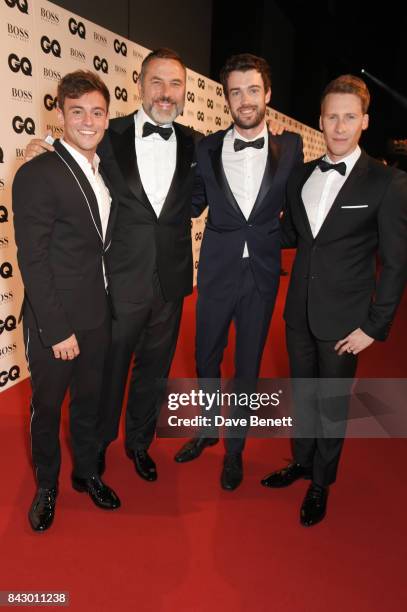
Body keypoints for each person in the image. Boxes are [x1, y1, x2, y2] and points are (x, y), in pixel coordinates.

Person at [26, 48, 202, 483]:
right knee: (105, 377)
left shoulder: (196, 142)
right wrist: (43, 144)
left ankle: (139, 443)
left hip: (172, 282)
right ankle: (96, 448)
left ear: (185, 91)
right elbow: (72, 148)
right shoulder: (110, 131)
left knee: (154, 374)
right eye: (156, 82)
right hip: (119, 282)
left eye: (175, 84)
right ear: (139, 84)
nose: (165, 93)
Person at [261, 75, 407, 526]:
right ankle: (302, 461)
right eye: (331, 117)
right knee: (304, 395)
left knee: (332, 403)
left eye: (349, 117)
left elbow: (397, 262)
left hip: (346, 320)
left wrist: (373, 326)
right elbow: (293, 234)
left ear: (364, 121)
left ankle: (322, 481)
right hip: (298, 310)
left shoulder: (387, 182)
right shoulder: (302, 175)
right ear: (320, 121)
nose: (339, 127)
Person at [174, 54, 303, 490]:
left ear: (267, 94)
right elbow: (189, 203)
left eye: (252, 90)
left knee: (247, 364)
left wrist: (273, 237)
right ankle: (208, 428)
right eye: (235, 91)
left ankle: (235, 449)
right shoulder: (206, 147)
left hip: (262, 276)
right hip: (215, 271)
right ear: (225, 98)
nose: (244, 100)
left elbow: (300, 209)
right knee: (206, 356)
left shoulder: (292, 148)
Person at [12, 70, 121, 532]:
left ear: (107, 117)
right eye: (77, 111)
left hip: (98, 314)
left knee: (89, 403)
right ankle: (47, 485)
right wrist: (57, 331)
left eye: (97, 112)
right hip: (54, 321)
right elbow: (32, 260)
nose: (89, 121)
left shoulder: (103, 169)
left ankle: (86, 473)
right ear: (59, 114)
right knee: (47, 407)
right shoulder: (37, 172)